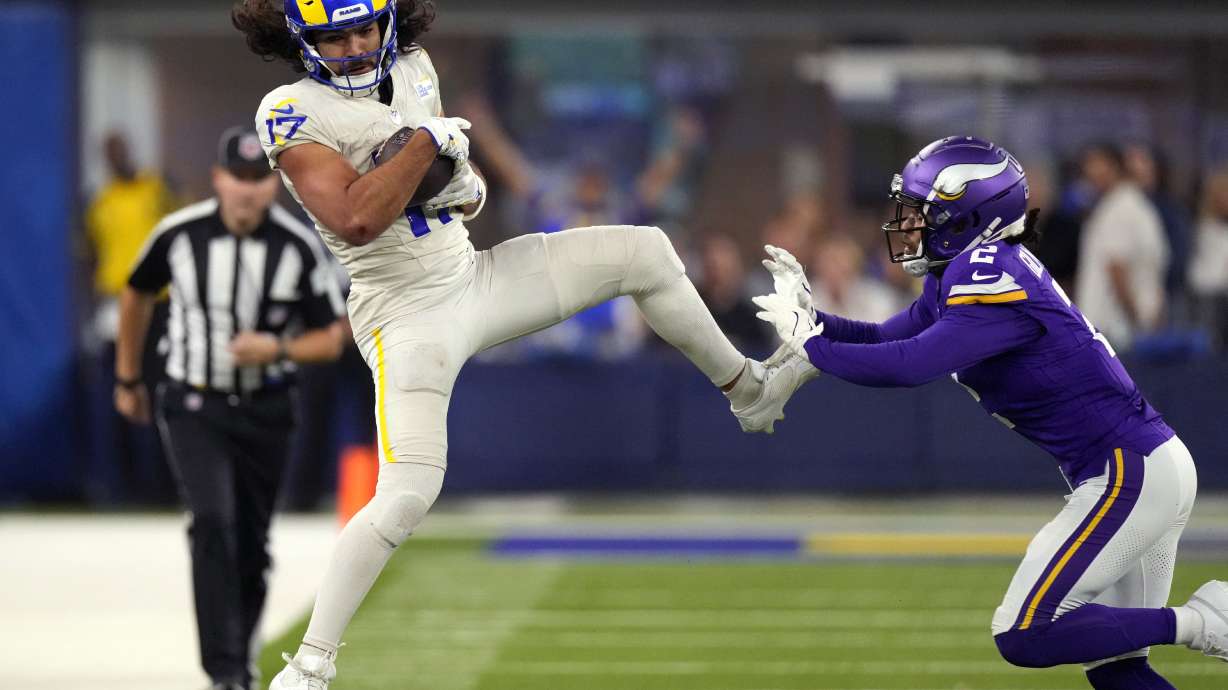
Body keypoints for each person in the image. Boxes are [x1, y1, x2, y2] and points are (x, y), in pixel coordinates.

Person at [229, 1, 816, 687]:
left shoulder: (414, 66)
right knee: (409, 491)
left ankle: (749, 390)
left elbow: (460, 191)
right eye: (337, 36)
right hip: (404, 313)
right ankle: (310, 666)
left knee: (647, 253)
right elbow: (358, 217)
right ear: (302, 42)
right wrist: (427, 144)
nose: (358, 47)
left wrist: (458, 176)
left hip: (472, 275)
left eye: (367, 29)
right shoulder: (290, 109)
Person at [753, 136, 1227, 690]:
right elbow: (885, 335)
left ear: (967, 215)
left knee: (1025, 631)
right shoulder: (968, 269)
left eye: (921, 212)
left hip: (1129, 471)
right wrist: (815, 320)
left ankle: (1200, 623)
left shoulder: (987, 275)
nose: (906, 224)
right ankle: (1198, 623)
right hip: (1141, 466)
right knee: (1119, 671)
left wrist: (810, 347)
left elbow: (909, 365)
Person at [114, 126, 347, 690]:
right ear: (217, 179)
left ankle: (238, 652)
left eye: (258, 179)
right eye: (237, 179)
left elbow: (332, 336)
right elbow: (136, 291)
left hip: (268, 407)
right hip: (194, 402)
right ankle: (224, 672)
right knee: (213, 523)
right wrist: (128, 376)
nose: (247, 191)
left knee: (251, 539)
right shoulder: (178, 235)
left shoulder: (297, 246)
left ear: (276, 183)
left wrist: (279, 348)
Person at [1074, 143, 1170, 350]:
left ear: (1116, 167)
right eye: (1088, 169)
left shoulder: (1125, 207)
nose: (1092, 175)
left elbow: (1122, 271)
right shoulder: (1115, 207)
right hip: (1114, 328)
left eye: (1099, 167)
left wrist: (1140, 320)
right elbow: (1117, 270)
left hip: (1122, 329)